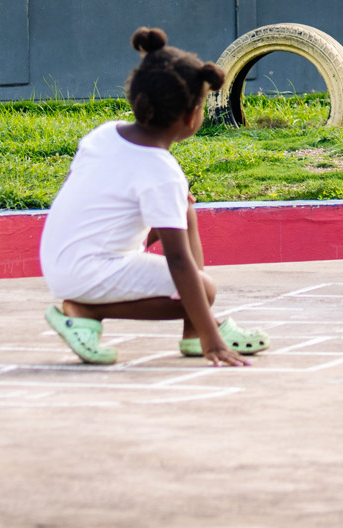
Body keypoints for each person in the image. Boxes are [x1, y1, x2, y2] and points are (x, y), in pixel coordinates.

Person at [39, 27, 269, 365]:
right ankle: (83, 310)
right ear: (192, 115)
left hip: (59, 259)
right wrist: (214, 340)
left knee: (184, 209)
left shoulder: (103, 135)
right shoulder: (162, 172)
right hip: (89, 272)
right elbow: (178, 261)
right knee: (204, 290)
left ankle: (192, 332)